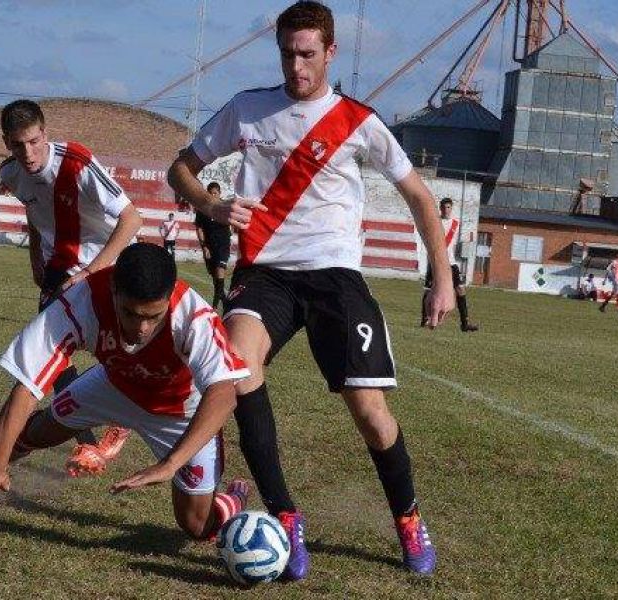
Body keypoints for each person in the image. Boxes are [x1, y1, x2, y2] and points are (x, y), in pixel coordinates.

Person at [167, 1, 455, 578]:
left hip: (335, 277)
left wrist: (441, 277)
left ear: (329, 53)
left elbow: (421, 198)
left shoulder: (357, 121)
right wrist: (211, 204)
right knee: (236, 367)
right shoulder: (247, 110)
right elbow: (181, 168)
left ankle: (407, 517)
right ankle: (286, 519)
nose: (296, 66)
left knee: (371, 414)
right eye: (287, 54)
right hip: (265, 274)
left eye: (307, 54)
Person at [0, 243, 252, 541]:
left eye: (153, 317)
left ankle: (234, 497)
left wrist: (170, 463)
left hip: (179, 411)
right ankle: (0, 450)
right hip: (115, 386)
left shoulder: (193, 315)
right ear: (112, 288)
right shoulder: (81, 302)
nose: (142, 328)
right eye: (131, 313)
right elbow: (28, 384)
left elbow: (224, 393)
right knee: (43, 429)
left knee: (197, 526)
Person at [0, 99, 143, 477]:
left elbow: (131, 220)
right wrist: (35, 257)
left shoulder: (77, 163)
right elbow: (34, 211)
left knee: (121, 351)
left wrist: (93, 269)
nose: (27, 153)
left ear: (44, 133)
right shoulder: (11, 173)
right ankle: (89, 443)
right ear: (7, 144)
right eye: (18, 145)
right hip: (58, 271)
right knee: (56, 357)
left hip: (103, 267)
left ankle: (123, 415)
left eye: (33, 141)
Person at [421, 198, 479, 331]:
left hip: (451, 262)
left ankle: (464, 324)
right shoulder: (436, 222)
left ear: (451, 209)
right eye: (444, 207)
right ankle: (424, 319)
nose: (446, 210)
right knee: (429, 290)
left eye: (448, 208)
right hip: (436, 261)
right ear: (440, 208)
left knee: (460, 290)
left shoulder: (456, 224)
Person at [194, 182, 233, 308]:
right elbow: (199, 228)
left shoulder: (225, 206)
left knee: (220, 270)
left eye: (215, 193)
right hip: (209, 246)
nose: (213, 196)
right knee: (214, 276)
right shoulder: (202, 209)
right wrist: (204, 246)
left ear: (219, 193)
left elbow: (233, 222)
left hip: (223, 244)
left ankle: (215, 305)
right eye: (211, 193)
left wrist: (230, 233)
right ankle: (223, 298)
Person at [599, 250, 618, 314]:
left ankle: (602, 307)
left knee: (613, 295)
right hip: (616, 281)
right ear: (617, 254)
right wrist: (606, 279)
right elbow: (610, 270)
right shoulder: (614, 262)